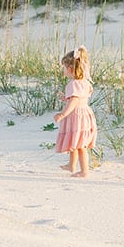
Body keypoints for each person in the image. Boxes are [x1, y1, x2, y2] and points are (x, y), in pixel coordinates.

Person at [52, 45, 97, 178]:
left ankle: (84, 171)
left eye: (64, 68)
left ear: (70, 69)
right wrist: (66, 98)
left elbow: (74, 101)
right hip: (84, 114)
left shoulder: (72, 84)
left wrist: (63, 114)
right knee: (75, 141)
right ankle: (71, 165)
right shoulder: (84, 82)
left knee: (80, 145)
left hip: (76, 116)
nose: (64, 71)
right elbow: (79, 97)